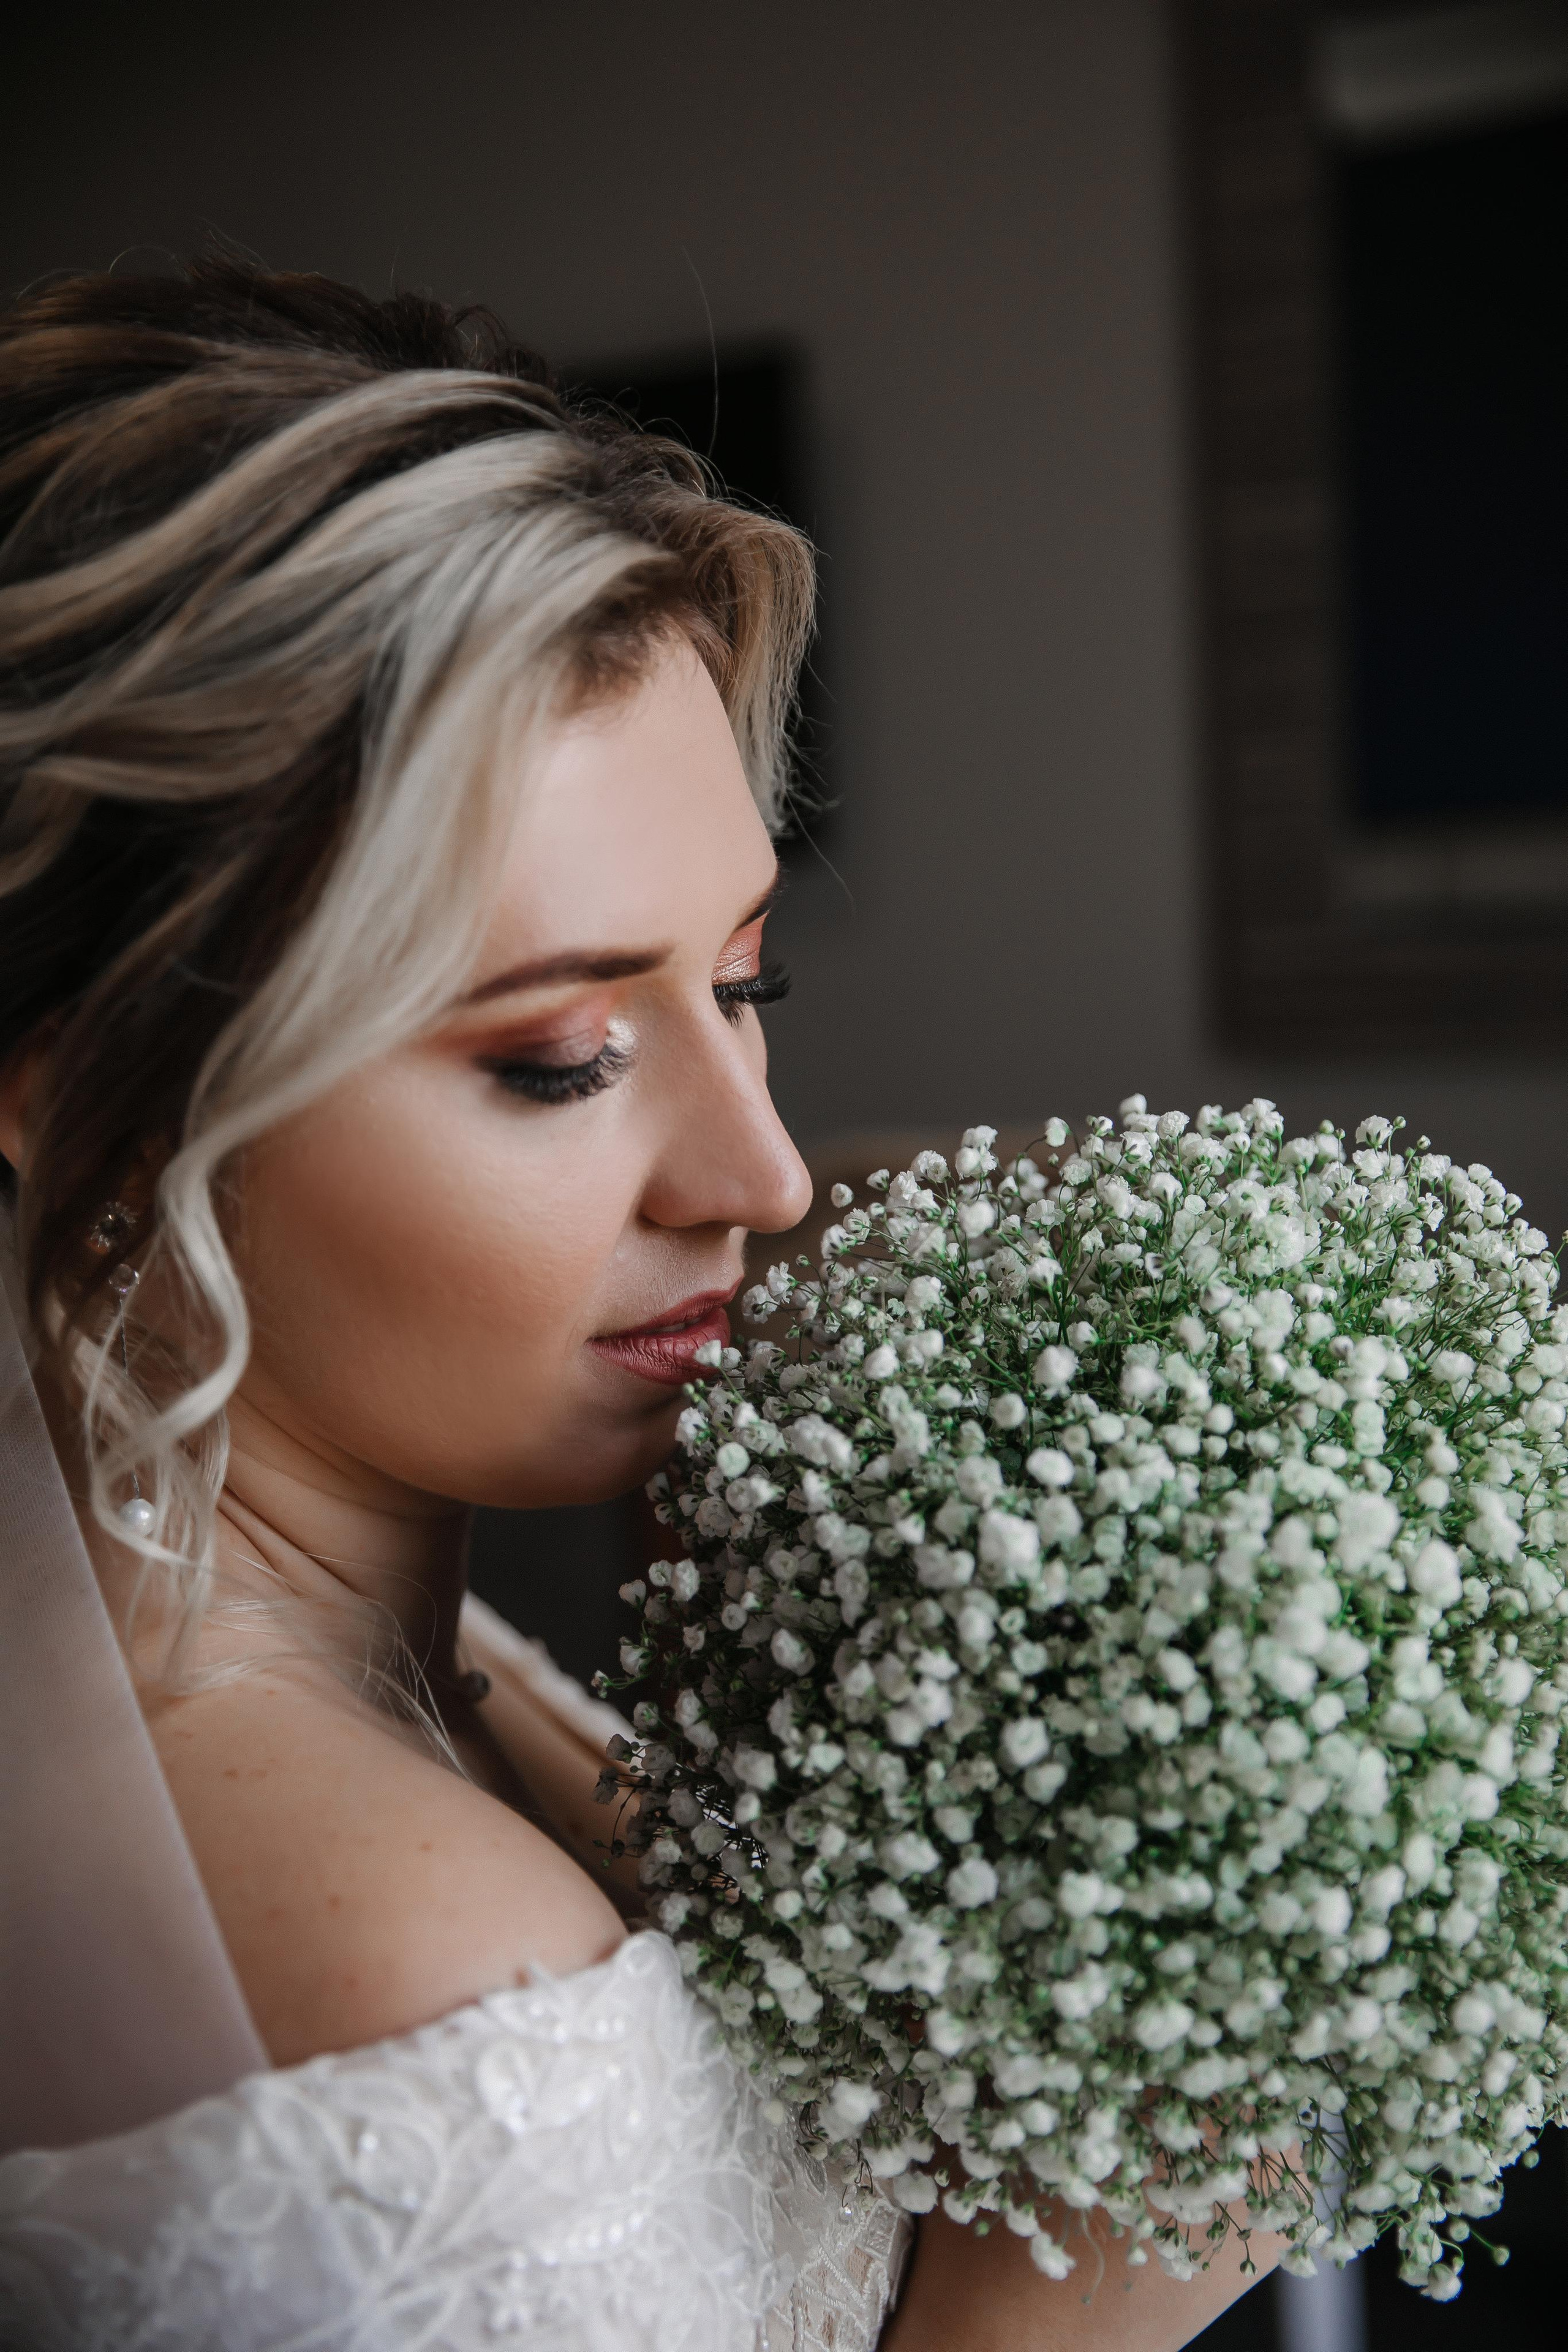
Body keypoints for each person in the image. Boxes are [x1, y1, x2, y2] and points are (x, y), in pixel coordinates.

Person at [0, 254, 1278, 2350]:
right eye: (561, 1058)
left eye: (744, 983)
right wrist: (1062, 2311)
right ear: (94, 1117)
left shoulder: (439, 1669)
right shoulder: (419, 1976)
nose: (762, 1177)